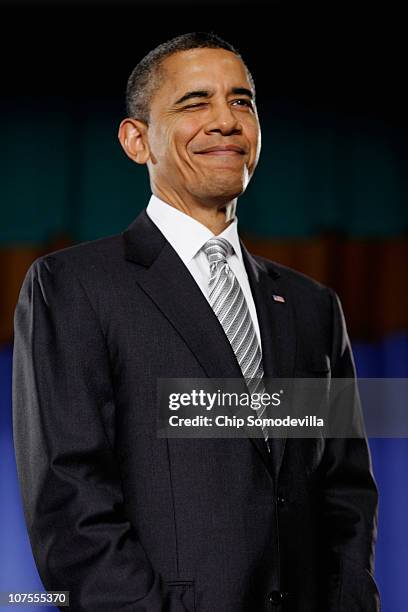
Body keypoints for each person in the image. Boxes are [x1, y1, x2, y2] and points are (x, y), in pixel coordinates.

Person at [12, 32, 380, 611]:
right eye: (194, 103)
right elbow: (70, 503)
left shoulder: (313, 307)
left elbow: (345, 493)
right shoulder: (72, 286)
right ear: (138, 141)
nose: (226, 121)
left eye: (241, 102)